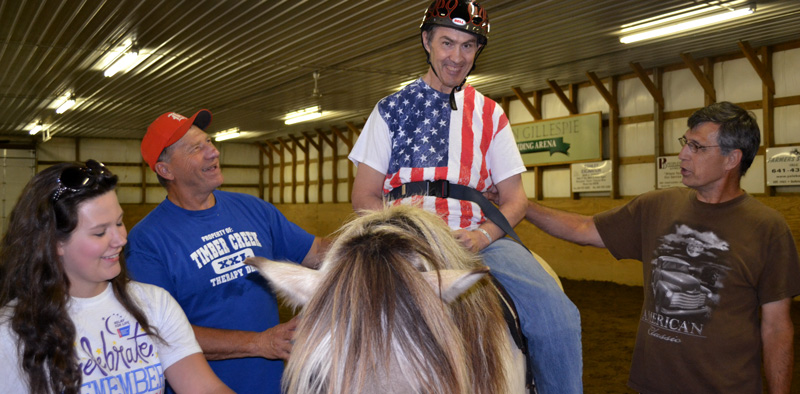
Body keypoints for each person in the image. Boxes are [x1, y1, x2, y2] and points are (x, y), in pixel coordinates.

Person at [348, 1, 583, 393]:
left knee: (558, 316)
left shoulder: (492, 115)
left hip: (478, 241)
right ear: (427, 41)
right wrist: (404, 233)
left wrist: (484, 235)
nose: (457, 57)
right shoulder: (388, 111)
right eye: (447, 43)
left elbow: (515, 199)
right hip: (405, 241)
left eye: (468, 46)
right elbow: (365, 195)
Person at [515, 101, 800, 393]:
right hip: (654, 385)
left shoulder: (768, 228)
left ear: (731, 159)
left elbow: (777, 327)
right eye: (685, 143)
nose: (683, 154)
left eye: (697, 147)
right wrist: (524, 207)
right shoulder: (657, 206)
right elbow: (584, 228)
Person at [125, 110, 328, 393]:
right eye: (197, 148)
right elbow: (160, 332)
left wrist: (371, 235)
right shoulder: (147, 240)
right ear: (165, 170)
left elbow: (317, 251)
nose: (213, 153)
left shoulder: (253, 208)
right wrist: (260, 343)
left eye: (209, 142)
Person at [0, 160, 232, 394]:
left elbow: (205, 387)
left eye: (119, 222)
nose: (121, 239)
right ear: (55, 241)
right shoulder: (11, 331)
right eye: (100, 232)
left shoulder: (153, 304)